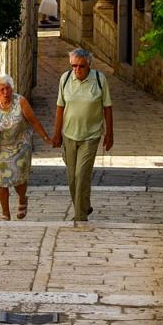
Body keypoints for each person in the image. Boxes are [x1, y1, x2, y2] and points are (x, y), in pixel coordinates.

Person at [52, 48, 113, 222]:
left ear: (89, 65)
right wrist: (57, 134)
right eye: (74, 66)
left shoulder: (99, 80)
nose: (77, 69)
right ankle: (84, 205)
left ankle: (80, 216)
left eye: (81, 66)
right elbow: (60, 107)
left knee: (82, 175)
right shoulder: (65, 79)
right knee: (72, 178)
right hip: (69, 134)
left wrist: (109, 133)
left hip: (91, 135)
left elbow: (107, 107)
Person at [0, 73, 51, 220]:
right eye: (2, 89)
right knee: (1, 181)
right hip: (1, 147)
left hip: (21, 146)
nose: (5, 92)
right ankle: (5, 213)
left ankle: (22, 198)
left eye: (8, 88)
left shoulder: (20, 101)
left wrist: (46, 137)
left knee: (18, 178)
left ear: (12, 88)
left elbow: (33, 121)